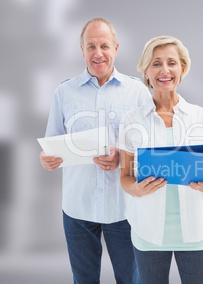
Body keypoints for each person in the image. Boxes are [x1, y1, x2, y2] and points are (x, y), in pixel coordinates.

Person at [39, 18, 150, 284]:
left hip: (124, 208)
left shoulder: (137, 92)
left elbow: (150, 151)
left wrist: (122, 158)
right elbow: (50, 143)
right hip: (78, 207)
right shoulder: (64, 92)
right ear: (82, 50)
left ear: (116, 48)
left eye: (104, 45)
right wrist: (46, 159)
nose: (97, 53)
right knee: (84, 280)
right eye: (91, 46)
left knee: (131, 280)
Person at [119, 35, 203, 284]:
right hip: (149, 231)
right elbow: (124, 177)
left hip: (196, 230)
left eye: (171, 63)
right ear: (145, 70)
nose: (164, 70)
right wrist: (137, 189)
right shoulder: (131, 120)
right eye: (156, 63)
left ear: (182, 68)